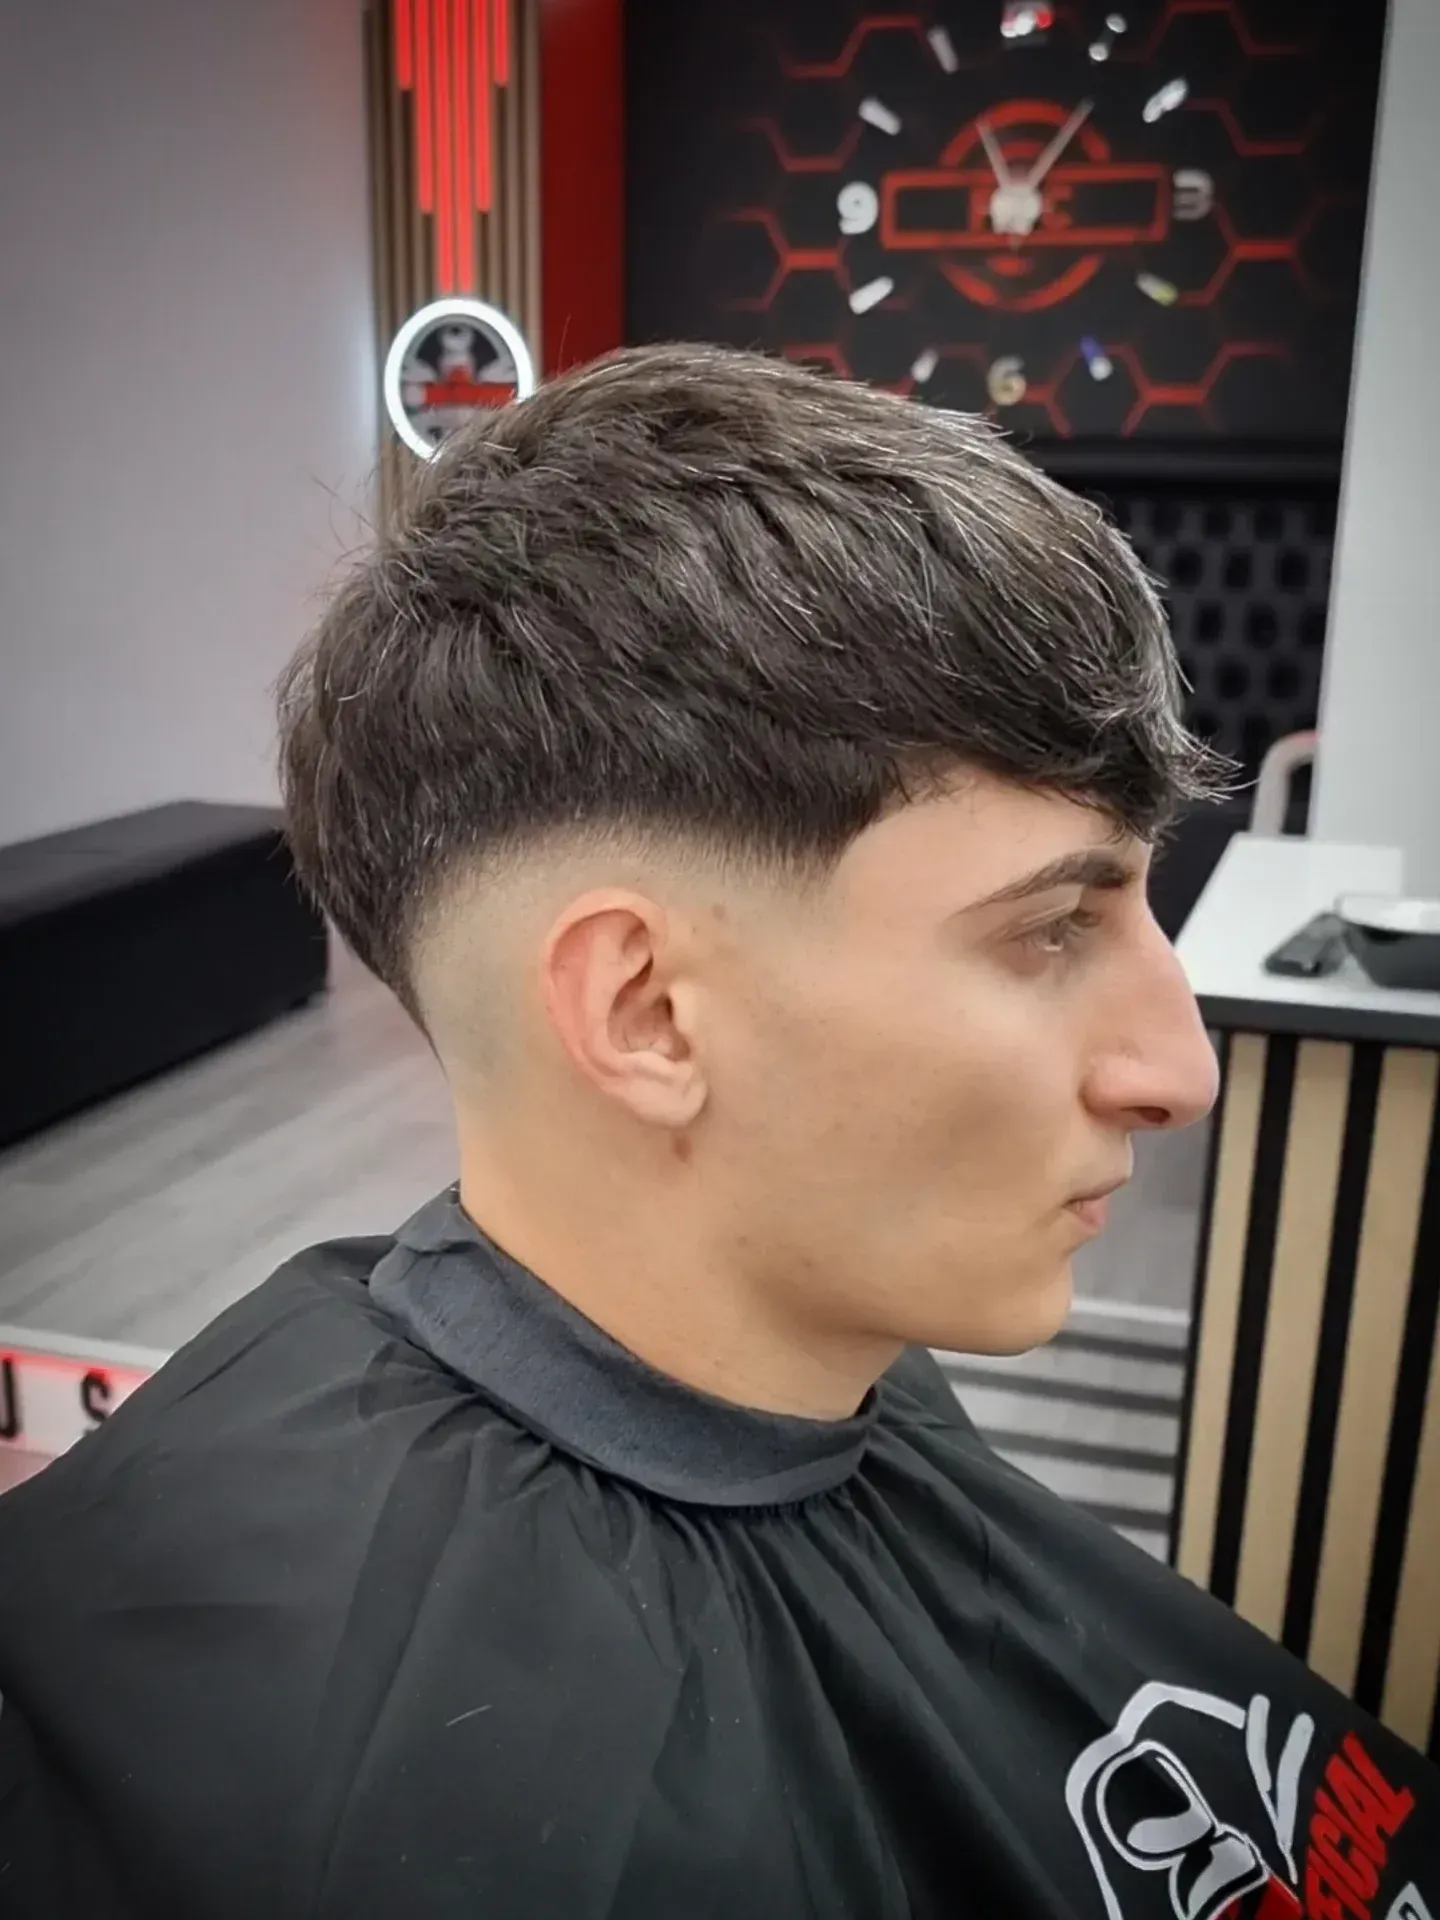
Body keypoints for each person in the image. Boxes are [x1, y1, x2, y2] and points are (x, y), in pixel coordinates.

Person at [0, 344, 1434, 1918]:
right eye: (1049, 929)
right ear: (649, 1014)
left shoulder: (823, 1346)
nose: (1183, 1071)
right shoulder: (444, 1833)